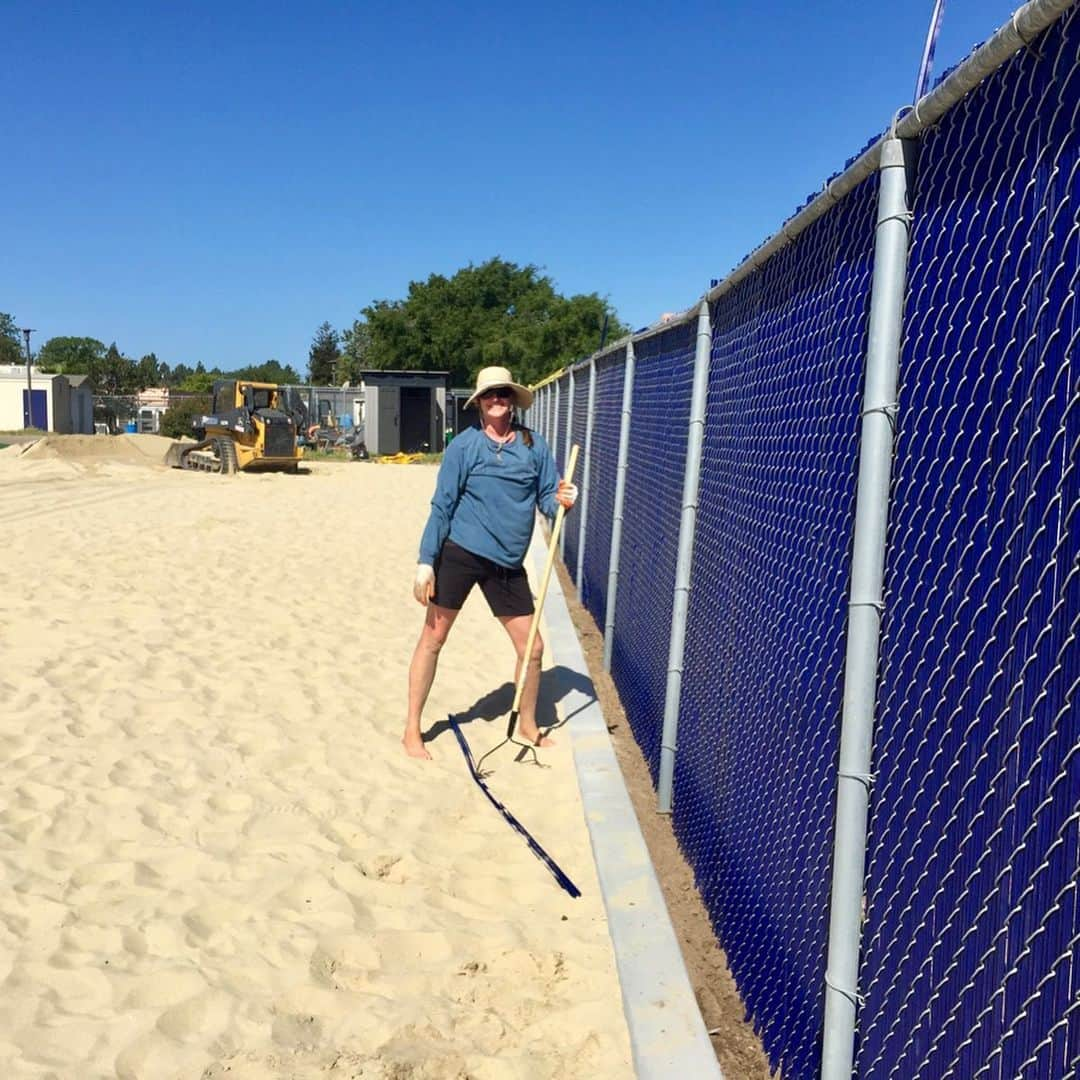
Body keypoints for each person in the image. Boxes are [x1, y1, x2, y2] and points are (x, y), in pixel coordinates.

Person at [403, 366, 578, 759]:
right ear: (479, 403)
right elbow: (442, 505)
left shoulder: (534, 446)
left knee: (532, 649)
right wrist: (426, 561)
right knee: (433, 638)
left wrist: (564, 499)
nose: (496, 400)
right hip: (461, 553)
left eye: (503, 393)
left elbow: (548, 499)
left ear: (513, 400)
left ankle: (527, 725)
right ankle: (412, 729)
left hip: (506, 564)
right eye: (489, 395)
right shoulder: (464, 447)